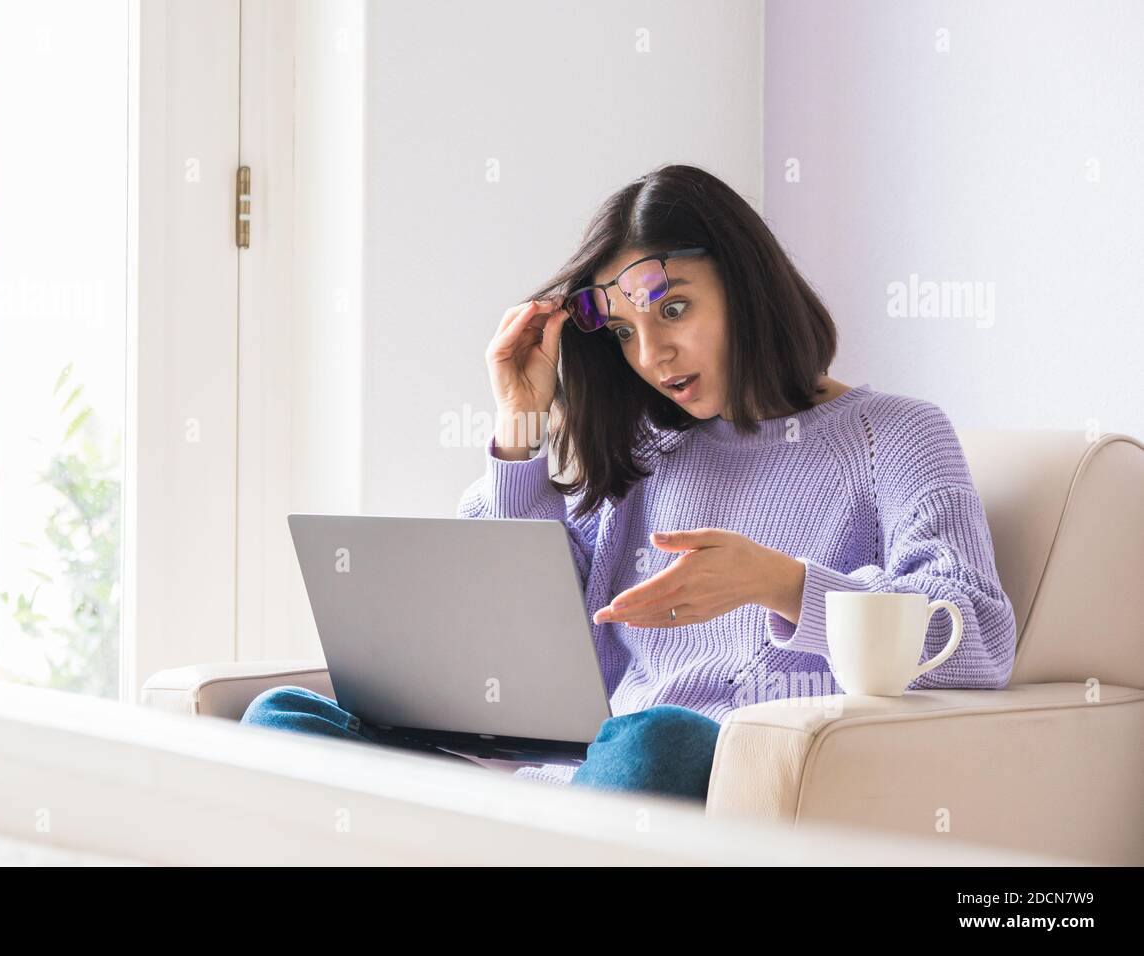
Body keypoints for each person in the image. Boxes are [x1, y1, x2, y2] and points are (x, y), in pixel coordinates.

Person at [240, 162, 1018, 805]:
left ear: (748, 290)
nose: (652, 356)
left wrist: (779, 584)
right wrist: (521, 423)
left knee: (660, 733)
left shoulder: (896, 435)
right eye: (622, 333)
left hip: (680, 774)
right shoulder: (645, 449)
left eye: (673, 310)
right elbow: (522, 629)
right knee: (281, 719)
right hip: (562, 783)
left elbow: (979, 637)